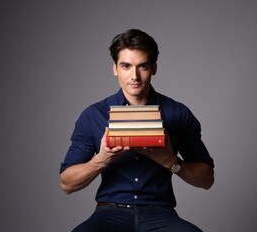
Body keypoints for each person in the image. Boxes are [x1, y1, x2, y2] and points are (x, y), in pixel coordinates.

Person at [60, 29, 214, 232]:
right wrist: (102, 159)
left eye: (142, 66)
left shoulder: (178, 113)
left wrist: (171, 161)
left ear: (154, 68)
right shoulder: (94, 115)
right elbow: (67, 184)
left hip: (160, 214)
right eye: (126, 66)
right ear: (115, 68)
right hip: (109, 214)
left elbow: (207, 179)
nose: (134, 76)